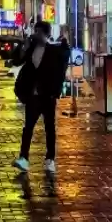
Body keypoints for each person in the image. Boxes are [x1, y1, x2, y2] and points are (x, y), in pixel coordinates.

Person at [13, 20, 70, 174]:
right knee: (28, 127)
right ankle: (23, 158)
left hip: (48, 96)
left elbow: (63, 64)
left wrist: (55, 92)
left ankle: (50, 159)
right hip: (33, 95)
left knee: (49, 128)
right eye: (35, 31)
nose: (35, 34)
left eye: (38, 31)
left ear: (45, 33)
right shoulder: (31, 48)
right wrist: (24, 45)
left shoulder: (54, 50)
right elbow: (16, 60)